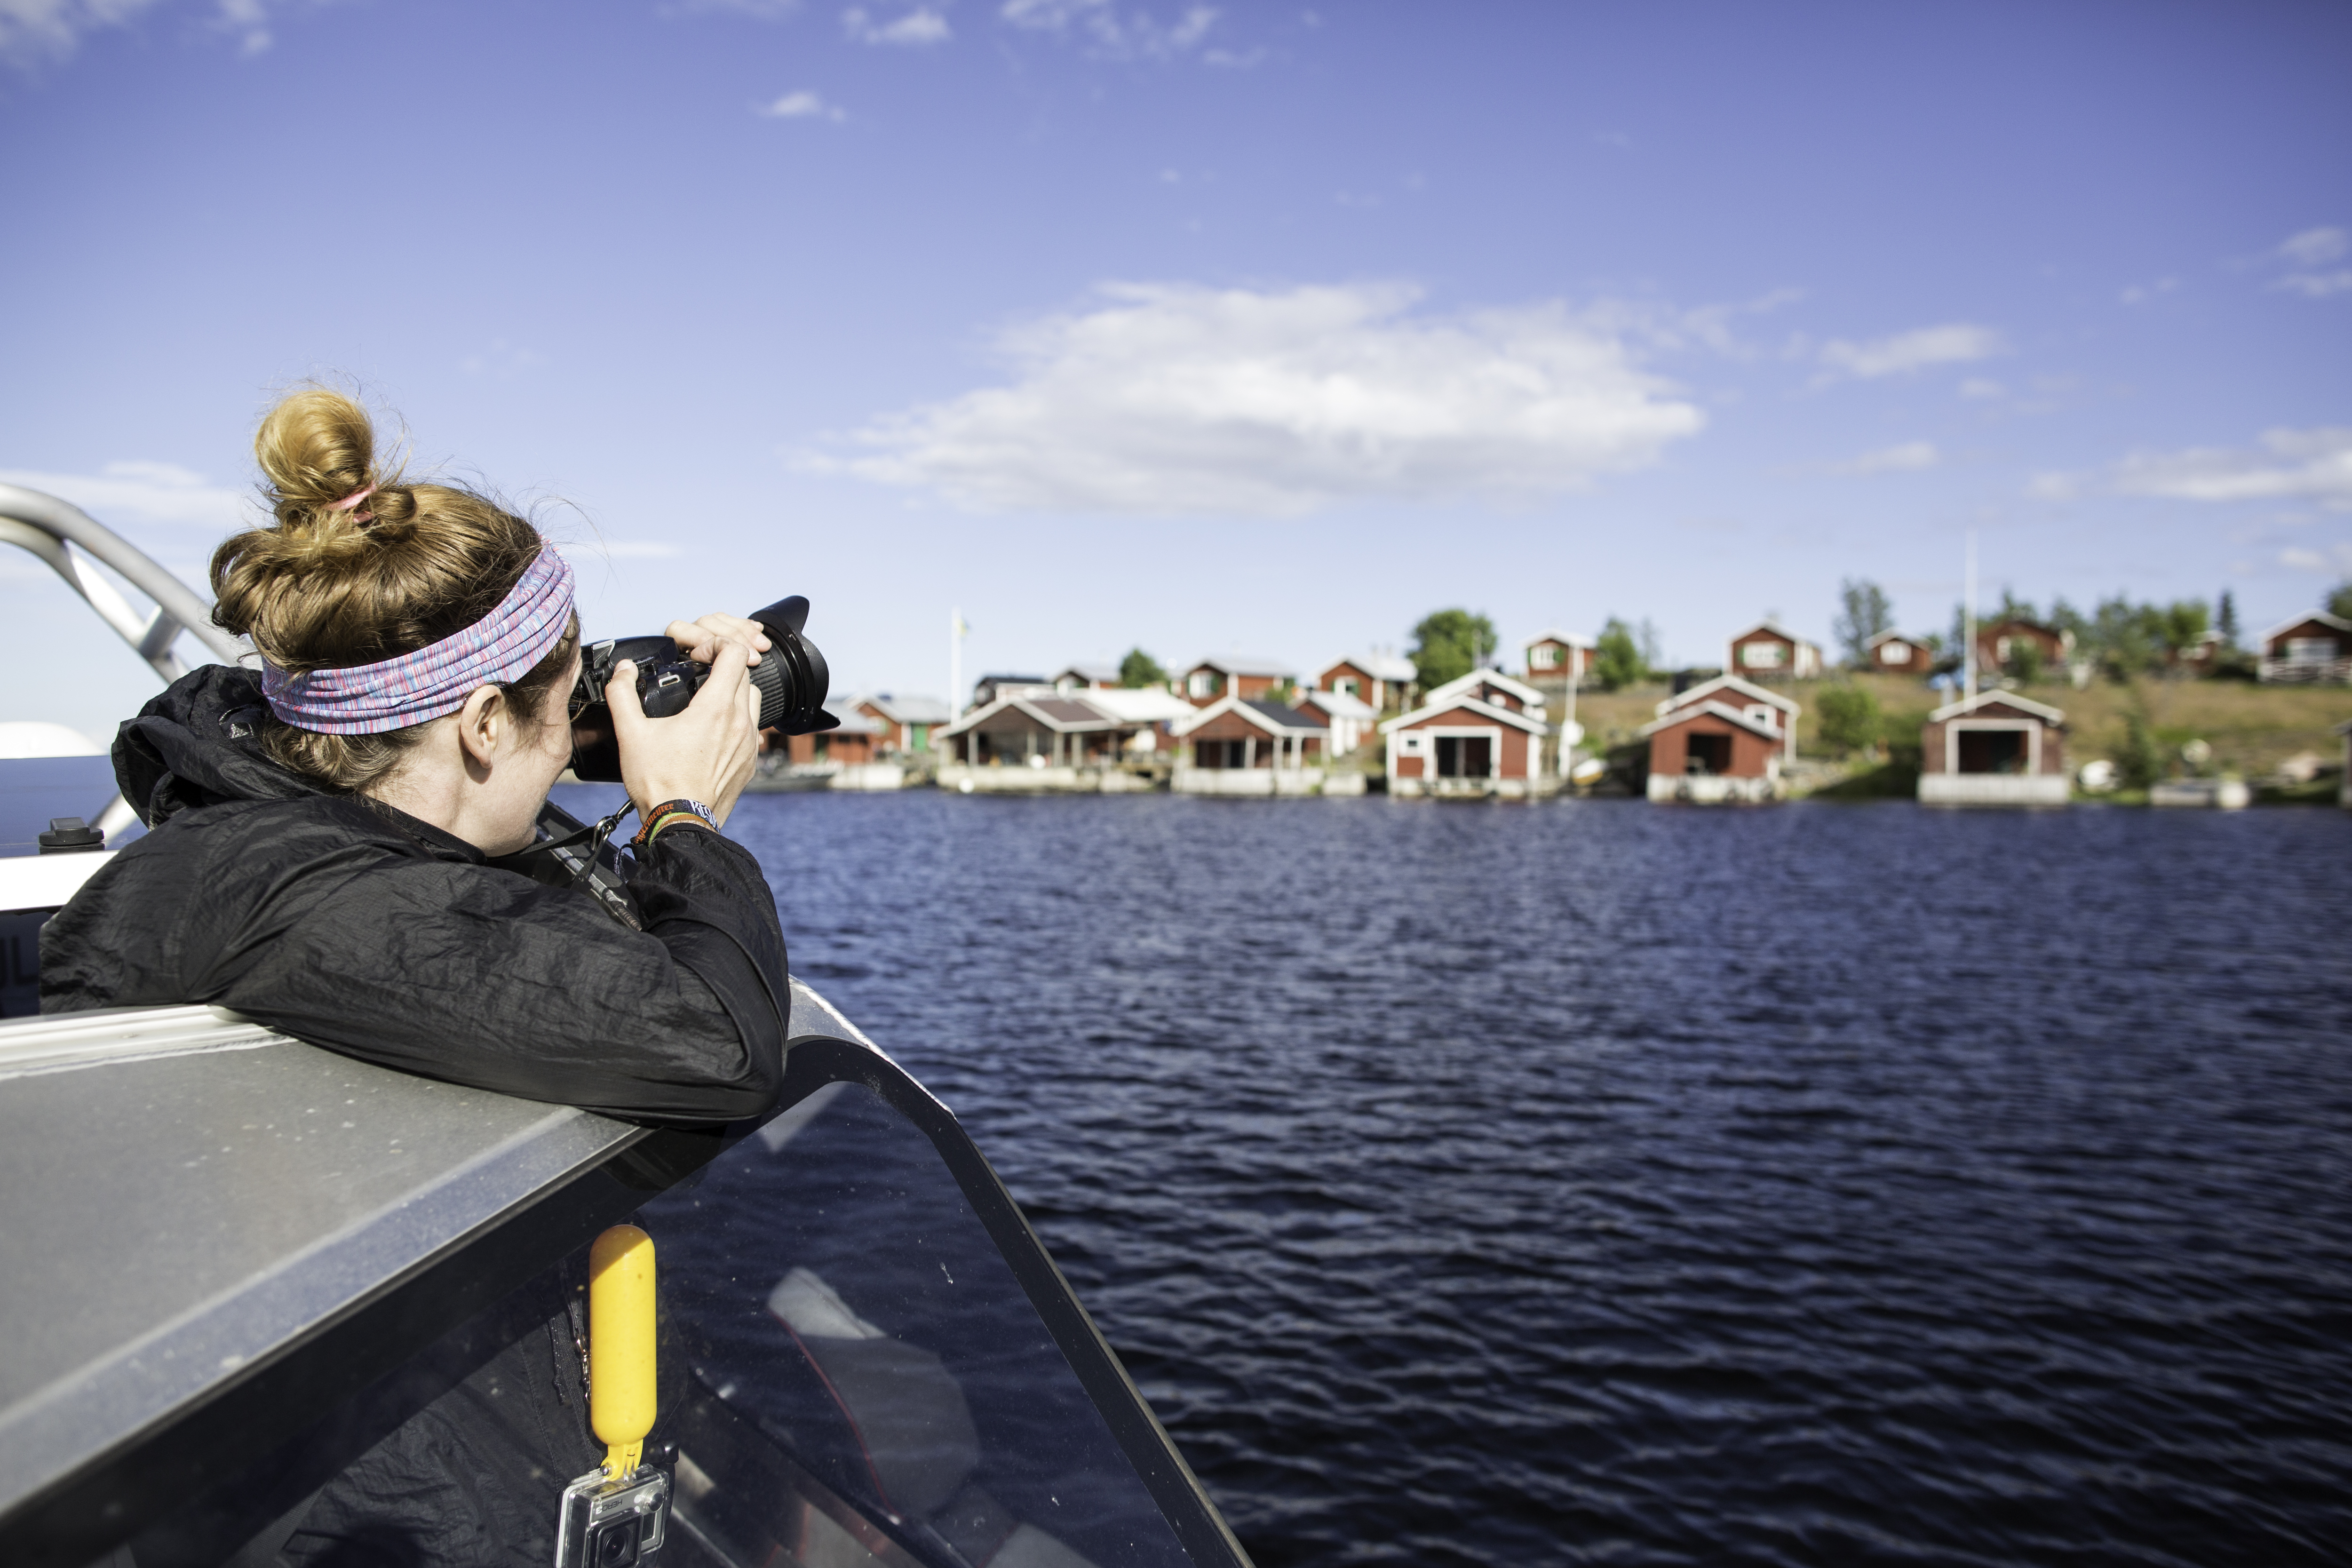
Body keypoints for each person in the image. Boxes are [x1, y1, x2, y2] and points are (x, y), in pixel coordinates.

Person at [40, 387, 790, 1125]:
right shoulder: (311, 896)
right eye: (571, 702)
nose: (570, 733)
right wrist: (682, 812)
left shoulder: (284, 816)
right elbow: (721, 1044)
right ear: (485, 724)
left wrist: (620, 725)